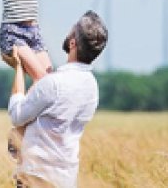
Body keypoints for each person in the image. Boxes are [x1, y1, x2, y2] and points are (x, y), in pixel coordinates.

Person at [7, 10, 108, 187]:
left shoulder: (54, 83)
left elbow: (17, 115)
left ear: (73, 42)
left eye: (72, 29)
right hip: (66, 179)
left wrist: (18, 69)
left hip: (37, 177)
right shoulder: (92, 87)